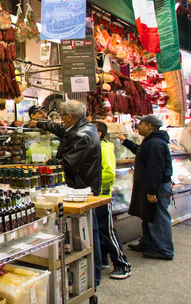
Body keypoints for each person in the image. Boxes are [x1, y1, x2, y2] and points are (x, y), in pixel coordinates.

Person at [29, 100, 103, 285]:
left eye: (62, 116)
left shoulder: (81, 136)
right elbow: (63, 131)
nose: (61, 120)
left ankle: (93, 275)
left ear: (69, 117)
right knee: (87, 231)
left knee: (88, 233)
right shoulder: (84, 128)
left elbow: (68, 165)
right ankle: (92, 273)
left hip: (80, 188)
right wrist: (38, 123)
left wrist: (50, 163)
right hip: (84, 185)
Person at [117, 115, 174, 260]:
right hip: (153, 186)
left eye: (141, 123)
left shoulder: (155, 143)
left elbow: (156, 168)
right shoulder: (150, 141)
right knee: (148, 215)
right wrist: (125, 141)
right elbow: (141, 152)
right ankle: (149, 243)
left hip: (158, 187)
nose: (138, 125)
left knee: (158, 217)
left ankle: (165, 250)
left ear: (149, 126)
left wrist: (152, 191)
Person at [92, 120, 131, 279]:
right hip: (93, 196)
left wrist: (92, 184)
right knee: (100, 231)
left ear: (98, 134)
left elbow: (108, 173)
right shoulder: (95, 148)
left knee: (107, 232)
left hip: (102, 196)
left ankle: (123, 265)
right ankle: (103, 260)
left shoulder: (104, 149)